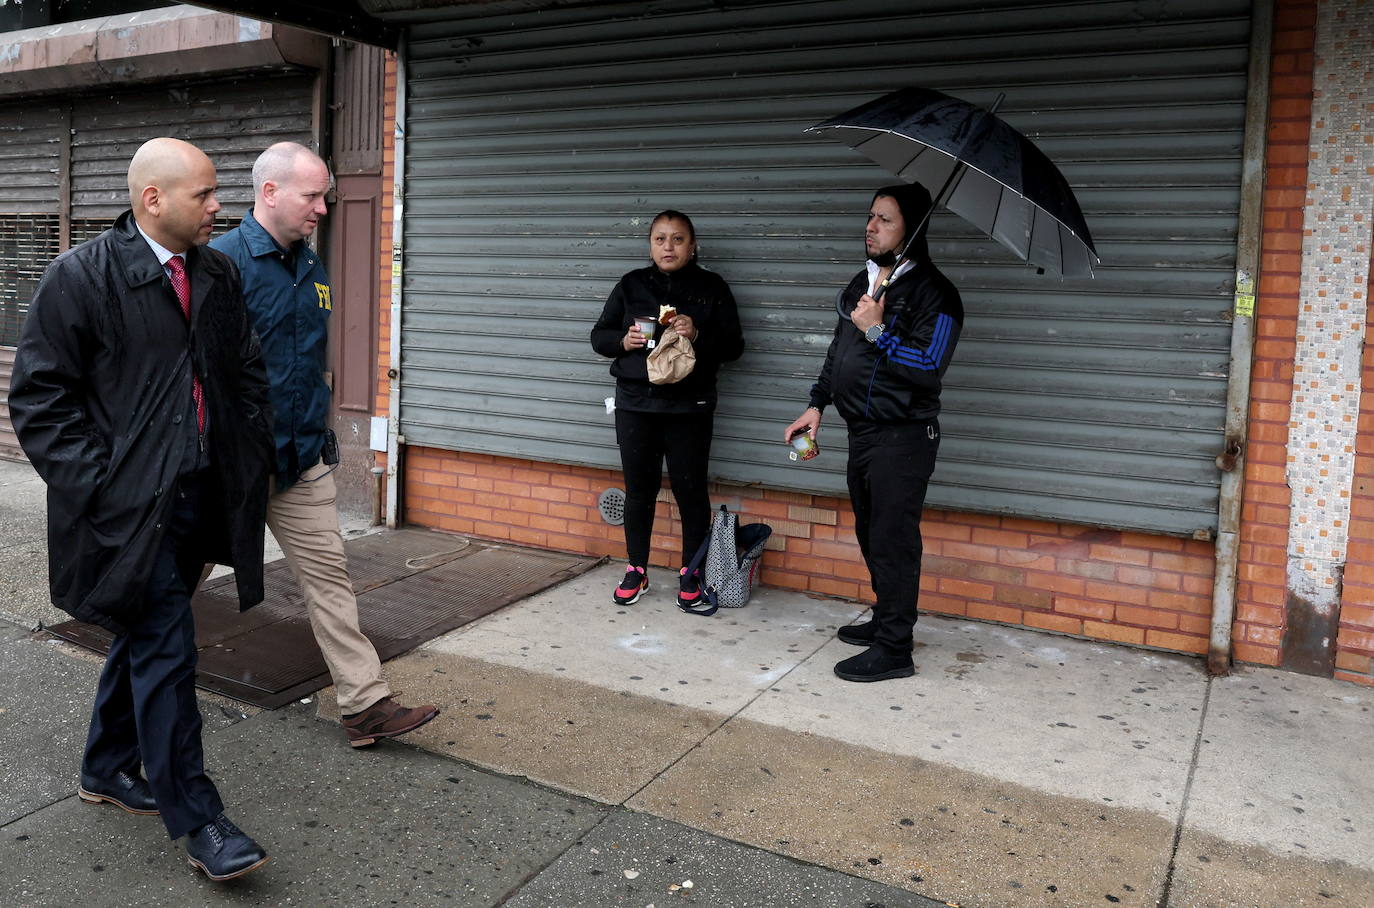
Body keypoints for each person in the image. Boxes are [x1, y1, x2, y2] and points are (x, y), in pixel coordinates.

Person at [8, 138, 274, 880]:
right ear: (152, 199)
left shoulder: (216, 273)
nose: (221, 206)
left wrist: (247, 453)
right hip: (127, 509)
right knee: (167, 646)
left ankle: (103, 768)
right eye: (205, 194)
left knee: (140, 634)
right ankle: (200, 819)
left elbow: (241, 369)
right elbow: (39, 400)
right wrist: (103, 487)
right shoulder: (80, 277)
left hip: (196, 496)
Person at [211, 143, 438, 748]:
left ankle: (364, 706)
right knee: (174, 584)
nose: (322, 208)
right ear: (270, 193)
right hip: (229, 466)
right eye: (312, 196)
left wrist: (319, 428)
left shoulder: (309, 266)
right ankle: (133, 705)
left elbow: (307, 362)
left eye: (325, 196)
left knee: (330, 579)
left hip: (300, 461)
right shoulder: (220, 264)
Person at [784, 183, 964, 683]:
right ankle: (886, 620)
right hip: (861, 436)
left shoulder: (938, 294)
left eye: (885, 219)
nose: (871, 226)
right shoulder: (863, 284)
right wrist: (817, 404)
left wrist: (878, 330)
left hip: (903, 439)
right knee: (870, 533)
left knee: (893, 542)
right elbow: (837, 352)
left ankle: (895, 649)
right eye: (871, 216)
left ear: (913, 229)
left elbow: (928, 368)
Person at [590, 210, 744, 608]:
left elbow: (735, 346)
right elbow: (599, 336)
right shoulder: (632, 284)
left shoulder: (711, 287)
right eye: (660, 239)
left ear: (692, 246)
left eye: (677, 239)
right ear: (650, 245)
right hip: (636, 404)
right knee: (639, 490)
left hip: (689, 407)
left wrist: (698, 334)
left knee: (690, 491)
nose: (668, 247)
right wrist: (624, 341)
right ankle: (636, 569)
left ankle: (691, 574)